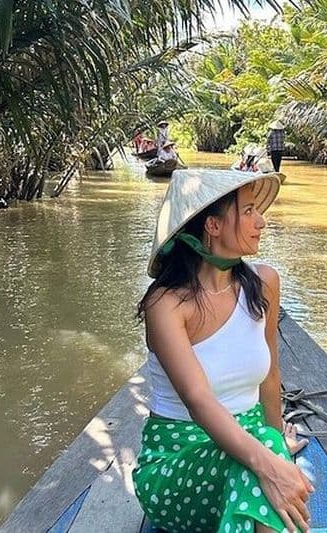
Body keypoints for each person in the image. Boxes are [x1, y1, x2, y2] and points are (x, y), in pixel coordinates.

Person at [133, 170, 312, 532]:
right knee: (258, 469)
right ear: (213, 226)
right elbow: (198, 400)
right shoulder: (167, 305)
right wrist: (268, 459)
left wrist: (277, 444)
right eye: (247, 211)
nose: (261, 221)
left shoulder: (263, 285)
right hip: (176, 465)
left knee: (262, 464)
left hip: (248, 442)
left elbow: (271, 376)